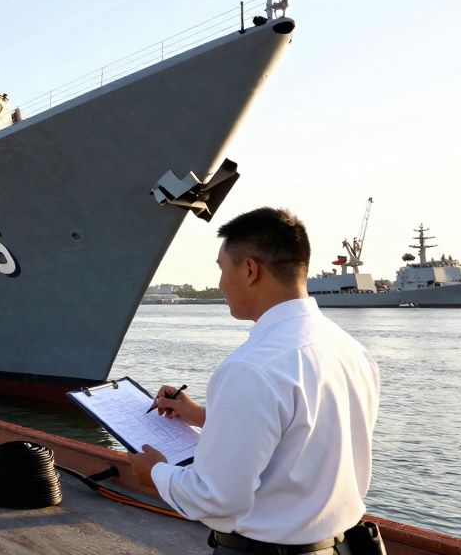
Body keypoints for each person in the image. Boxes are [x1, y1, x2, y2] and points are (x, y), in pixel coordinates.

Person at [127, 207, 381, 554]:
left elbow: (215, 497)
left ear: (249, 269)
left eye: (221, 268)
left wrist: (154, 472)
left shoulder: (251, 367)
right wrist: (202, 416)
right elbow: (303, 437)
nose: (219, 283)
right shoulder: (351, 350)